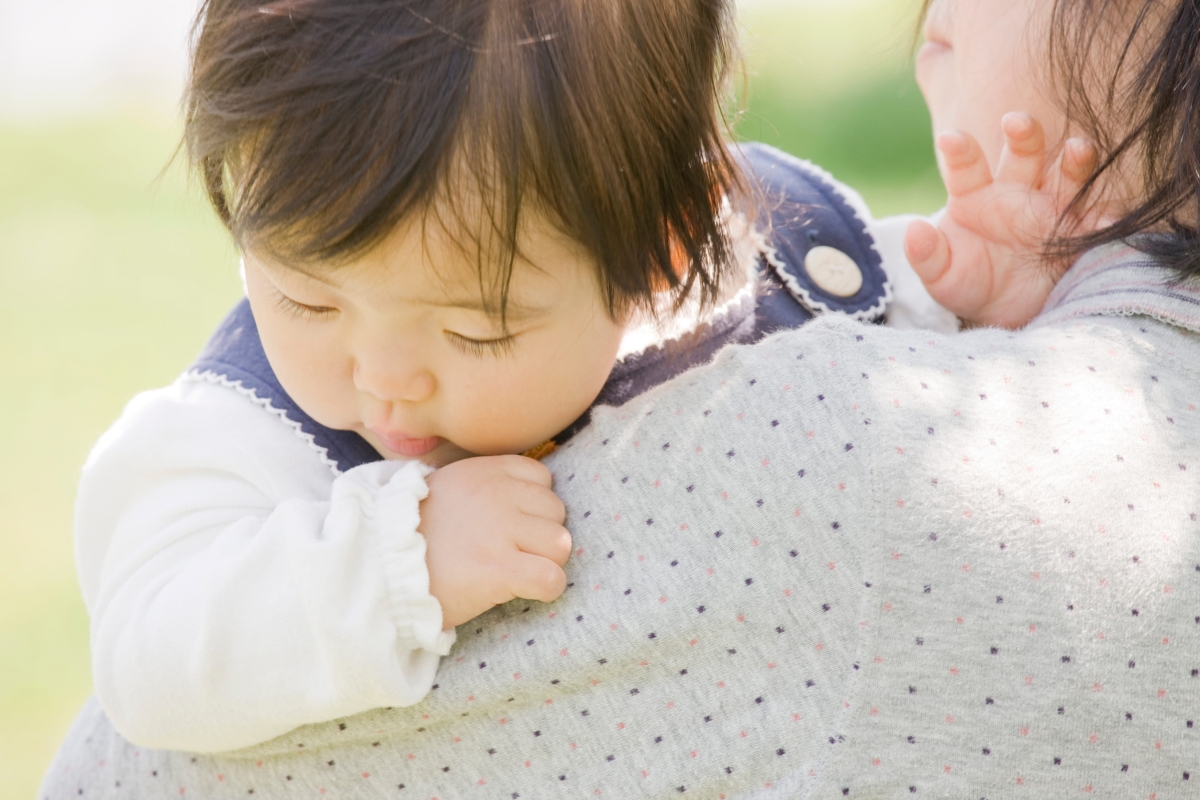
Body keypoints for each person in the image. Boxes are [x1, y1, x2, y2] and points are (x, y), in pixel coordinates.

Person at [43, 0, 1200, 796]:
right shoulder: (239, 431)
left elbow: (865, 371)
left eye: (475, 327)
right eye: (305, 299)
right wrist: (394, 562)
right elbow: (151, 650)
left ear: (667, 249)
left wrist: (980, 293)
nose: (384, 375)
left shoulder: (788, 267)